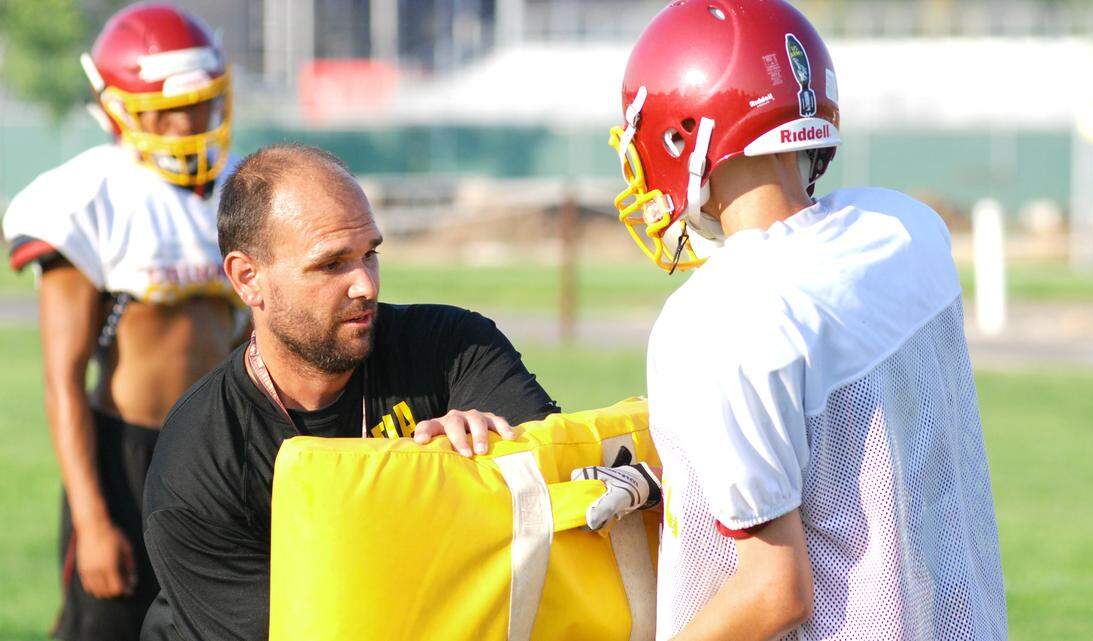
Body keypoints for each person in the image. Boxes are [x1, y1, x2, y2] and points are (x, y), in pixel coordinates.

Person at [580, 1, 1007, 639]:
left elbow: (775, 592)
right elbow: (852, 463)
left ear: (683, 135)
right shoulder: (906, 229)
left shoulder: (716, 318)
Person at [139, 143, 560, 641]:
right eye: (332, 263)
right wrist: (450, 485)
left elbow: (567, 507)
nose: (365, 284)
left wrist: (473, 455)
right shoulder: (201, 456)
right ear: (248, 279)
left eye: (370, 254)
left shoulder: (455, 349)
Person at [1, 4, 238, 640]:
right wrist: (92, 517)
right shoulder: (88, 199)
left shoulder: (241, 186)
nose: (190, 121)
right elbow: (62, 379)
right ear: (119, 108)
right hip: (129, 458)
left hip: (221, 451)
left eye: (202, 103)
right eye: (170, 107)